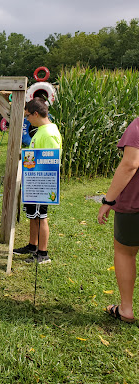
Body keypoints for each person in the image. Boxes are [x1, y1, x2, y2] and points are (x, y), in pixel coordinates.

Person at [97, 117, 139, 323]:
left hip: (134, 204)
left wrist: (109, 200)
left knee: (125, 252)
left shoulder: (138, 125)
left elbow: (130, 164)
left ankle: (126, 309)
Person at [13, 97, 62, 264]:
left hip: (41, 181)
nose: (27, 119)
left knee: (41, 216)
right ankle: (32, 246)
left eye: (27, 116)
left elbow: (50, 161)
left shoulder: (48, 133)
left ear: (35, 113)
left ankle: (43, 253)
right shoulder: (41, 130)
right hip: (33, 179)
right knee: (33, 215)